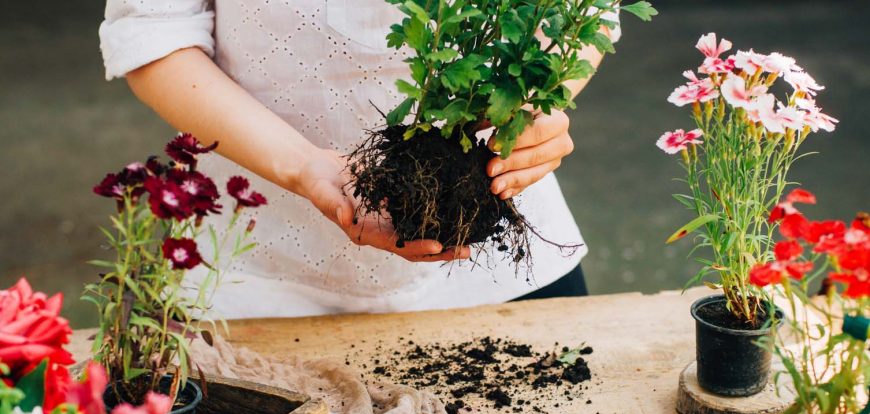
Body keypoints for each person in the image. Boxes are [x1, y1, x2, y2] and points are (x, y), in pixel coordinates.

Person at [98, 1, 620, 318]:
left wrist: (534, 104)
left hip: (500, 269)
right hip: (253, 275)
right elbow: (154, 28)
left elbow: (586, 11)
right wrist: (305, 166)